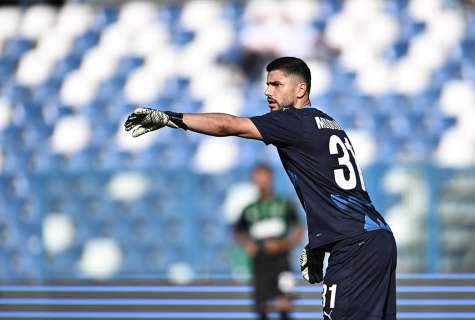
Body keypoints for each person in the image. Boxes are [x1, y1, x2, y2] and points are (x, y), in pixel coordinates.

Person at [124, 56, 397, 319]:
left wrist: (170, 118)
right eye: (267, 84)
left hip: (354, 245)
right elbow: (336, 191)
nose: (268, 91)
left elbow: (227, 124)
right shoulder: (330, 124)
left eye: (276, 84)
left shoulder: (294, 121)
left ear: (301, 88)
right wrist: (320, 244)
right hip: (376, 237)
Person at [234, 163, 304, 320]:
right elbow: (238, 231)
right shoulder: (249, 209)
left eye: (265, 177)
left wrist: (283, 244)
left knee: (284, 302)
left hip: (281, 261)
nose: (262, 182)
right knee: (262, 305)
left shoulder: (284, 204)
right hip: (260, 262)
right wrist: (247, 244)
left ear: (271, 178)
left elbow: (298, 229)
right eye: (258, 178)